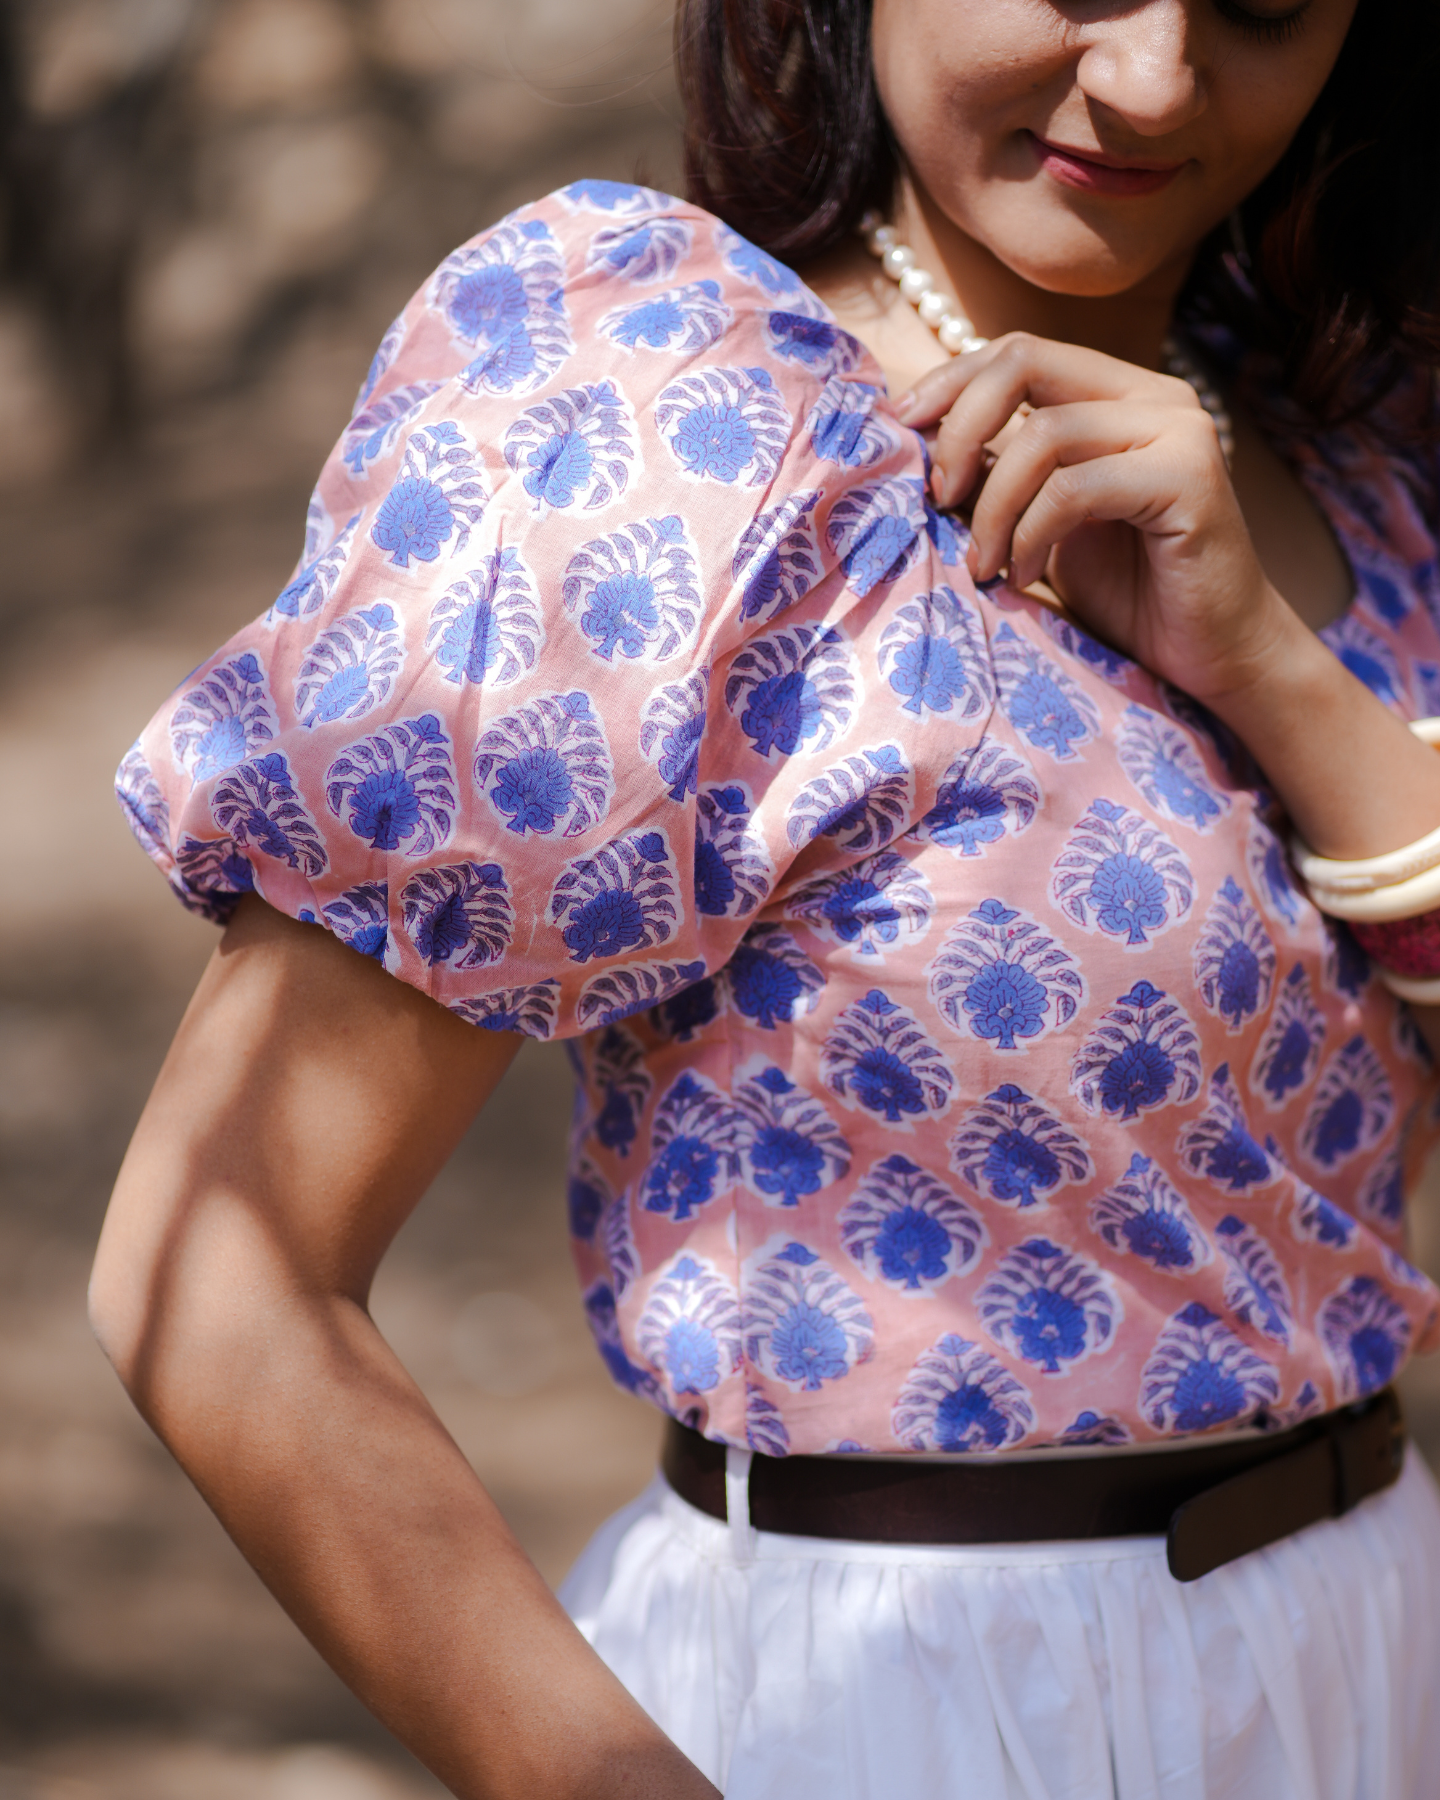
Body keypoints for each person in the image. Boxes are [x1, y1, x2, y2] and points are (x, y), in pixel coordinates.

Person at [91, 0, 1440, 1793]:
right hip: (906, 1710)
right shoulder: (667, 419)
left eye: (1263, 1)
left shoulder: (1363, 427)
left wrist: (1278, 675)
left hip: (1377, 1649)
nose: (1153, 81)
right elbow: (222, 1274)